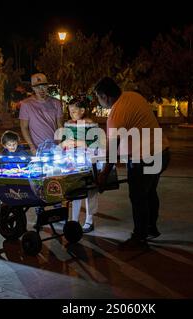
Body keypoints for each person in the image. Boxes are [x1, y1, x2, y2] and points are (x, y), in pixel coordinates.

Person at [94, 77, 171, 250]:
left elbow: (112, 151)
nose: (99, 102)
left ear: (105, 96)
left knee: (138, 197)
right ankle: (151, 228)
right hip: (162, 153)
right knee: (149, 192)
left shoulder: (116, 113)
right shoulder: (133, 96)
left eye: (98, 98)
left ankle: (140, 237)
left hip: (143, 159)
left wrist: (103, 176)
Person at [61, 95, 99, 233]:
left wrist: (77, 143)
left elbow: (95, 144)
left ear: (82, 110)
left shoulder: (90, 124)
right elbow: (64, 141)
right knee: (74, 190)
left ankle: (89, 220)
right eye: (70, 111)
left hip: (88, 162)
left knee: (90, 191)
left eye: (74, 111)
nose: (71, 114)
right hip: (72, 162)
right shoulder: (69, 124)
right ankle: (74, 220)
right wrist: (64, 145)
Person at [19, 73, 63, 154]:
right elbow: (24, 127)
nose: (41, 90)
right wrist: (32, 147)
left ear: (47, 86)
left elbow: (60, 125)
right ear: (33, 88)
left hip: (54, 147)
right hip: (37, 148)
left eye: (43, 86)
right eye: (37, 87)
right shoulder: (26, 104)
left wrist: (59, 144)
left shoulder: (56, 103)